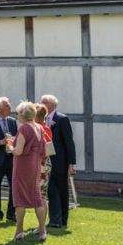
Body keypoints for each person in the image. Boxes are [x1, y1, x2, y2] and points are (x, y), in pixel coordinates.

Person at [10, 102, 48, 242]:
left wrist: (10, 148)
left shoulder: (24, 129)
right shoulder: (39, 127)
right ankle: (42, 231)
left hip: (23, 166)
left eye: (17, 113)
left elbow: (18, 151)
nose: (17, 116)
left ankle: (19, 231)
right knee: (37, 198)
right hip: (35, 165)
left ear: (22, 115)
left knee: (19, 199)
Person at [42, 94, 76, 229]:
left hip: (60, 162)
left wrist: (71, 164)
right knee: (51, 190)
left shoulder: (62, 119)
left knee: (62, 191)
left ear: (52, 105)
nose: (42, 103)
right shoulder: (40, 119)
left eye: (45, 102)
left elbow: (69, 143)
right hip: (46, 162)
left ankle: (62, 219)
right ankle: (54, 220)